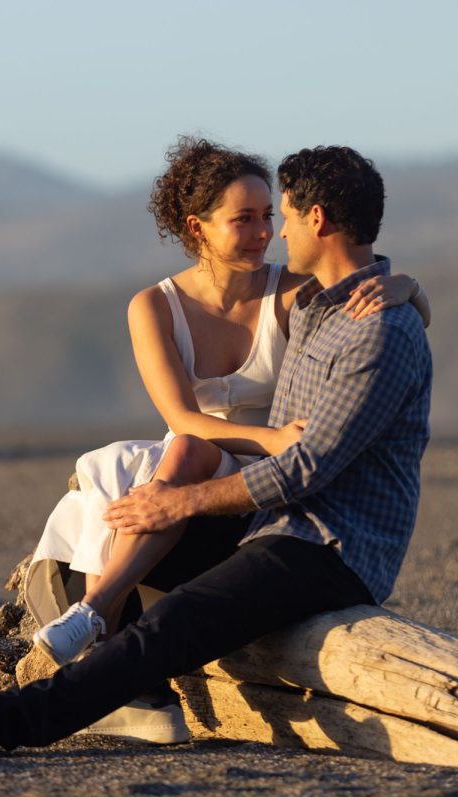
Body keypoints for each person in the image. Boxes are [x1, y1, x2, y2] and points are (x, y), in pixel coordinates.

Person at [0, 144, 433, 754]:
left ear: (315, 219)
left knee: (180, 618)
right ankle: (125, 677)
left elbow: (305, 469)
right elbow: (354, 285)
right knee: (108, 525)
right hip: (270, 518)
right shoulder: (322, 308)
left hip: (329, 544)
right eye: (254, 217)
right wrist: (407, 285)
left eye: (281, 214)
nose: (275, 231)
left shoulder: (375, 330)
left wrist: (179, 506)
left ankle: (0, 721)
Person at [26, 137, 430, 669]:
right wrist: (274, 439)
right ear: (198, 227)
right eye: (244, 219)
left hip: (270, 478)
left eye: (269, 215)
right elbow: (181, 418)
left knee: (174, 466)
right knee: (158, 458)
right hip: (208, 456)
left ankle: (97, 620)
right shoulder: (153, 306)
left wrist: (406, 286)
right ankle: (100, 624)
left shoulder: (294, 291)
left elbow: (367, 290)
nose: (266, 232)